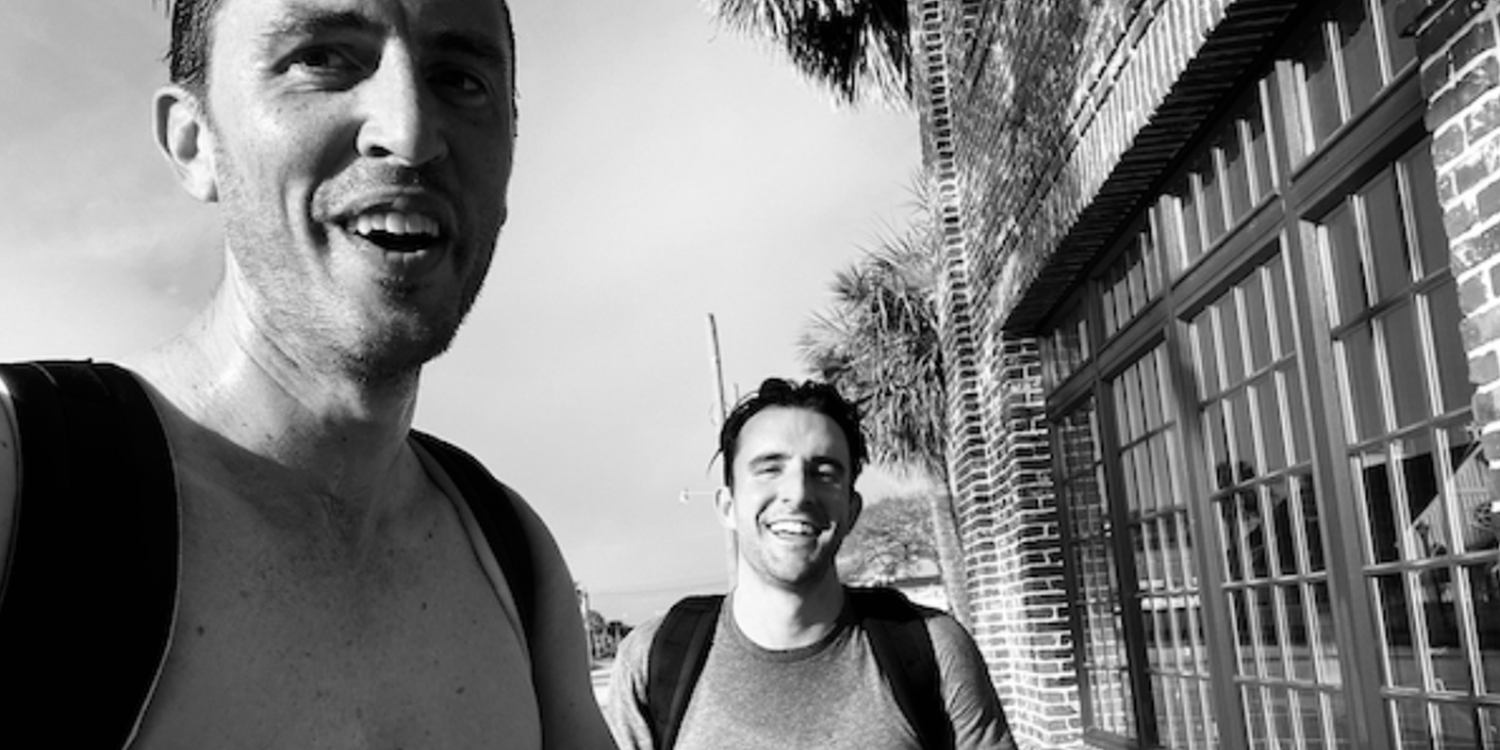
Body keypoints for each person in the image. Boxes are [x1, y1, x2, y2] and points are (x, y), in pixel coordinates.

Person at [0, 0, 615, 748]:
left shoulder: (513, 559)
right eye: (320, 59)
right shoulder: (25, 482)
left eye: (459, 78)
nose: (410, 133)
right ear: (194, 142)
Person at [605, 378, 1017, 750]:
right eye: (770, 469)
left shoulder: (934, 649)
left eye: (824, 472)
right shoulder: (652, 658)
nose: (798, 493)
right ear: (728, 507)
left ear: (851, 510)